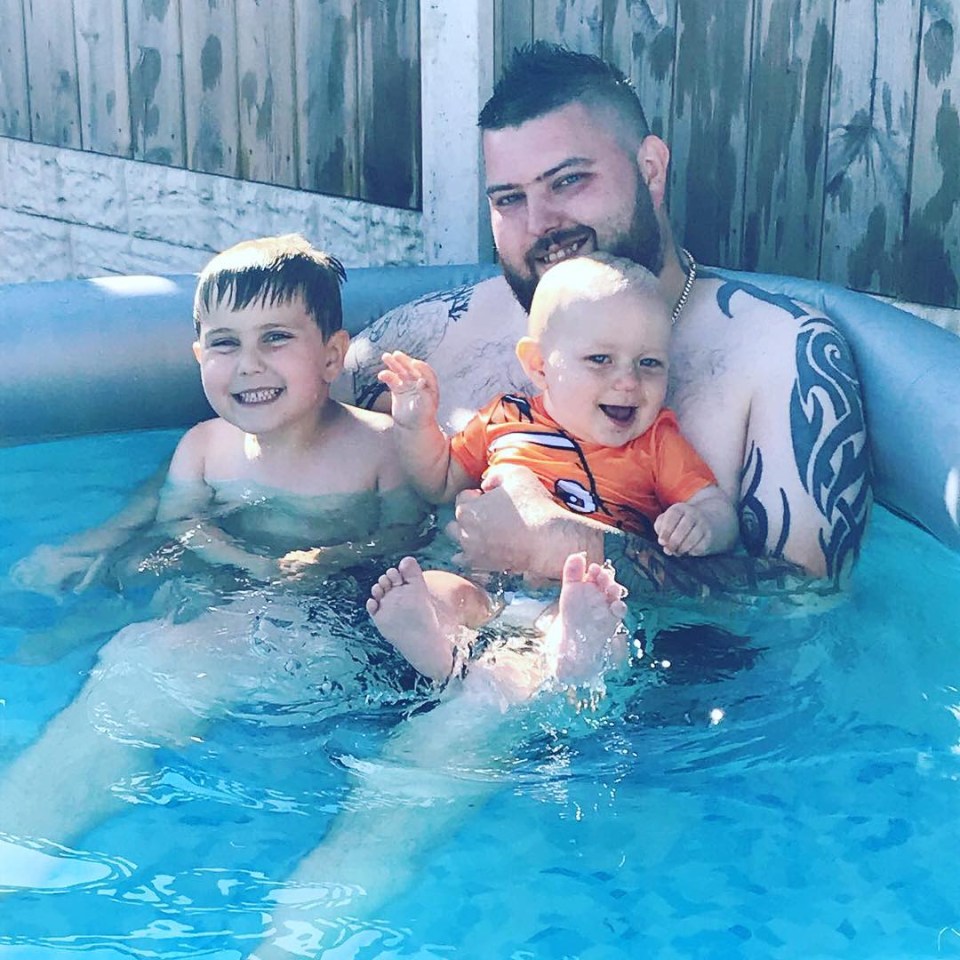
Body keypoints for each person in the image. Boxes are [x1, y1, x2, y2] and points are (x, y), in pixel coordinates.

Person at [338, 42, 871, 600]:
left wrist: (566, 546)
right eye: (510, 199)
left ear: (651, 169)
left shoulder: (779, 353)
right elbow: (281, 409)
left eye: (568, 181)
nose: (541, 222)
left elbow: (807, 606)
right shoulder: (442, 329)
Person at [0, 234, 435, 859]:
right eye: (226, 344)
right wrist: (244, 562)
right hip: (227, 579)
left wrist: (330, 559)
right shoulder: (206, 446)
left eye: (276, 339)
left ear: (334, 356)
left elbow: (405, 534)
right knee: (143, 588)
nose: (248, 365)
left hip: (328, 598)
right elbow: (177, 524)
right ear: (200, 354)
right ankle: (64, 648)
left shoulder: (379, 447)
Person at [366, 253, 737, 687]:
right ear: (539, 366)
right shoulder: (505, 418)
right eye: (600, 359)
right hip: (487, 587)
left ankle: (575, 653)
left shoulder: (655, 441)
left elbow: (713, 505)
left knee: (602, 619)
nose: (628, 381)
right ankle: (437, 646)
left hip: (575, 594)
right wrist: (416, 424)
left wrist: (703, 522)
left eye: (649, 363)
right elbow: (440, 481)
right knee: (436, 589)